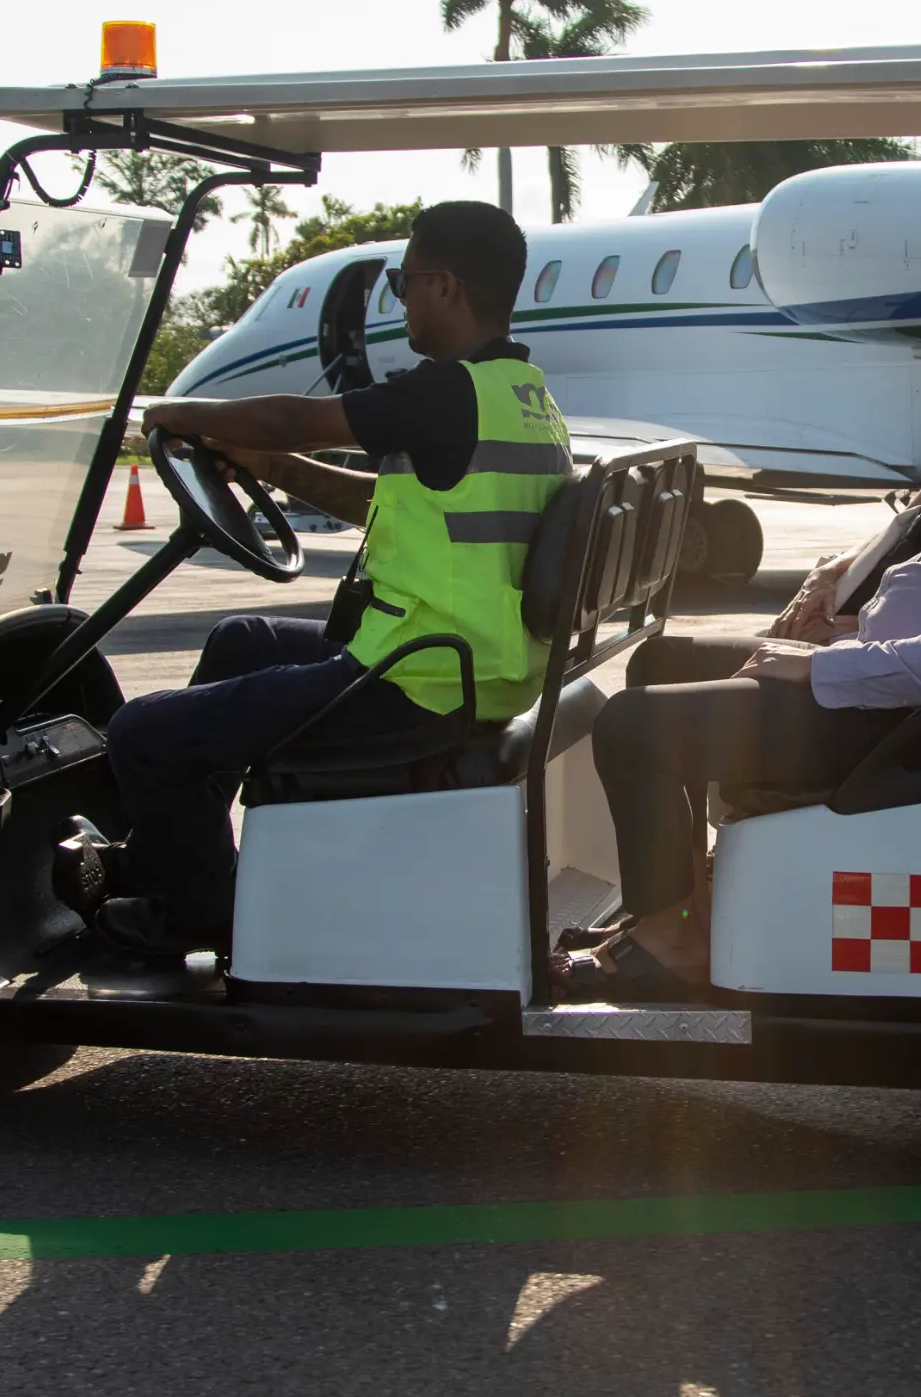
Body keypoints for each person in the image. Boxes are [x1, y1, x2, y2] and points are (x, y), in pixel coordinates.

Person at [572, 201, 921, 999]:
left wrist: (822, 669)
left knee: (632, 728)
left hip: (916, 724)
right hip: (889, 690)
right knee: (661, 660)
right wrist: (840, 624)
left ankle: (673, 944)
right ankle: (689, 899)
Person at [97, 200, 569, 955]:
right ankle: (176, 868)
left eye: (405, 281)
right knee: (240, 639)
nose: (402, 299)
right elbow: (382, 501)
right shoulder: (523, 396)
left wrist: (175, 413)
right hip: (469, 659)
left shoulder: (446, 391)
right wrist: (274, 471)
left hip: (418, 678)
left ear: (445, 286)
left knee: (142, 733)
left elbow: (291, 415)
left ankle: (200, 913)